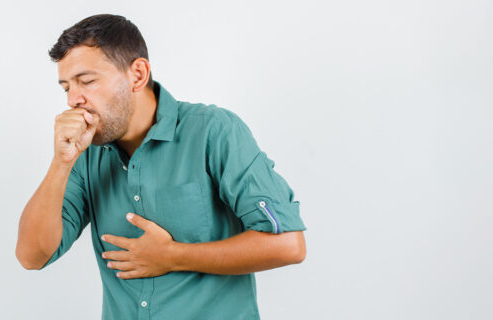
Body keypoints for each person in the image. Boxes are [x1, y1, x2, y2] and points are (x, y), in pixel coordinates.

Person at [15, 14, 307, 319]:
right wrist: (61, 163)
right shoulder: (85, 154)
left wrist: (174, 256)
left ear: (137, 75)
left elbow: (288, 244)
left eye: (87, 81)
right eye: (66, 87)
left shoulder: (213, 131)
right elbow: (32, 256)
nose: (74, 99)